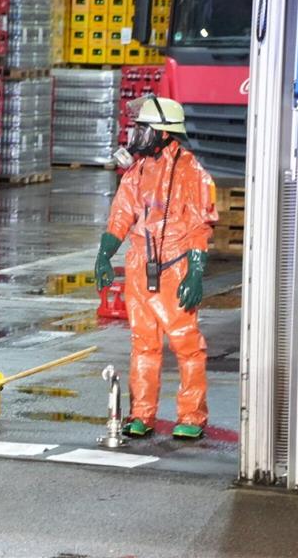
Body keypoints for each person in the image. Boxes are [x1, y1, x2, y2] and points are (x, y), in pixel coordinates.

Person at [94, 95, 218, 440]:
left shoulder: (192, 172)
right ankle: (142, 413)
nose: (137, 134)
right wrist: (105, 254)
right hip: (139, 268)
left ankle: (192, 414)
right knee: (143, 345)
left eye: (144, 128)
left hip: (175, 267)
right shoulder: (138, 170)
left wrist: (195, 271)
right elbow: (122, 214)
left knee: (186, 345)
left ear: (164, 133)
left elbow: (199, 225)